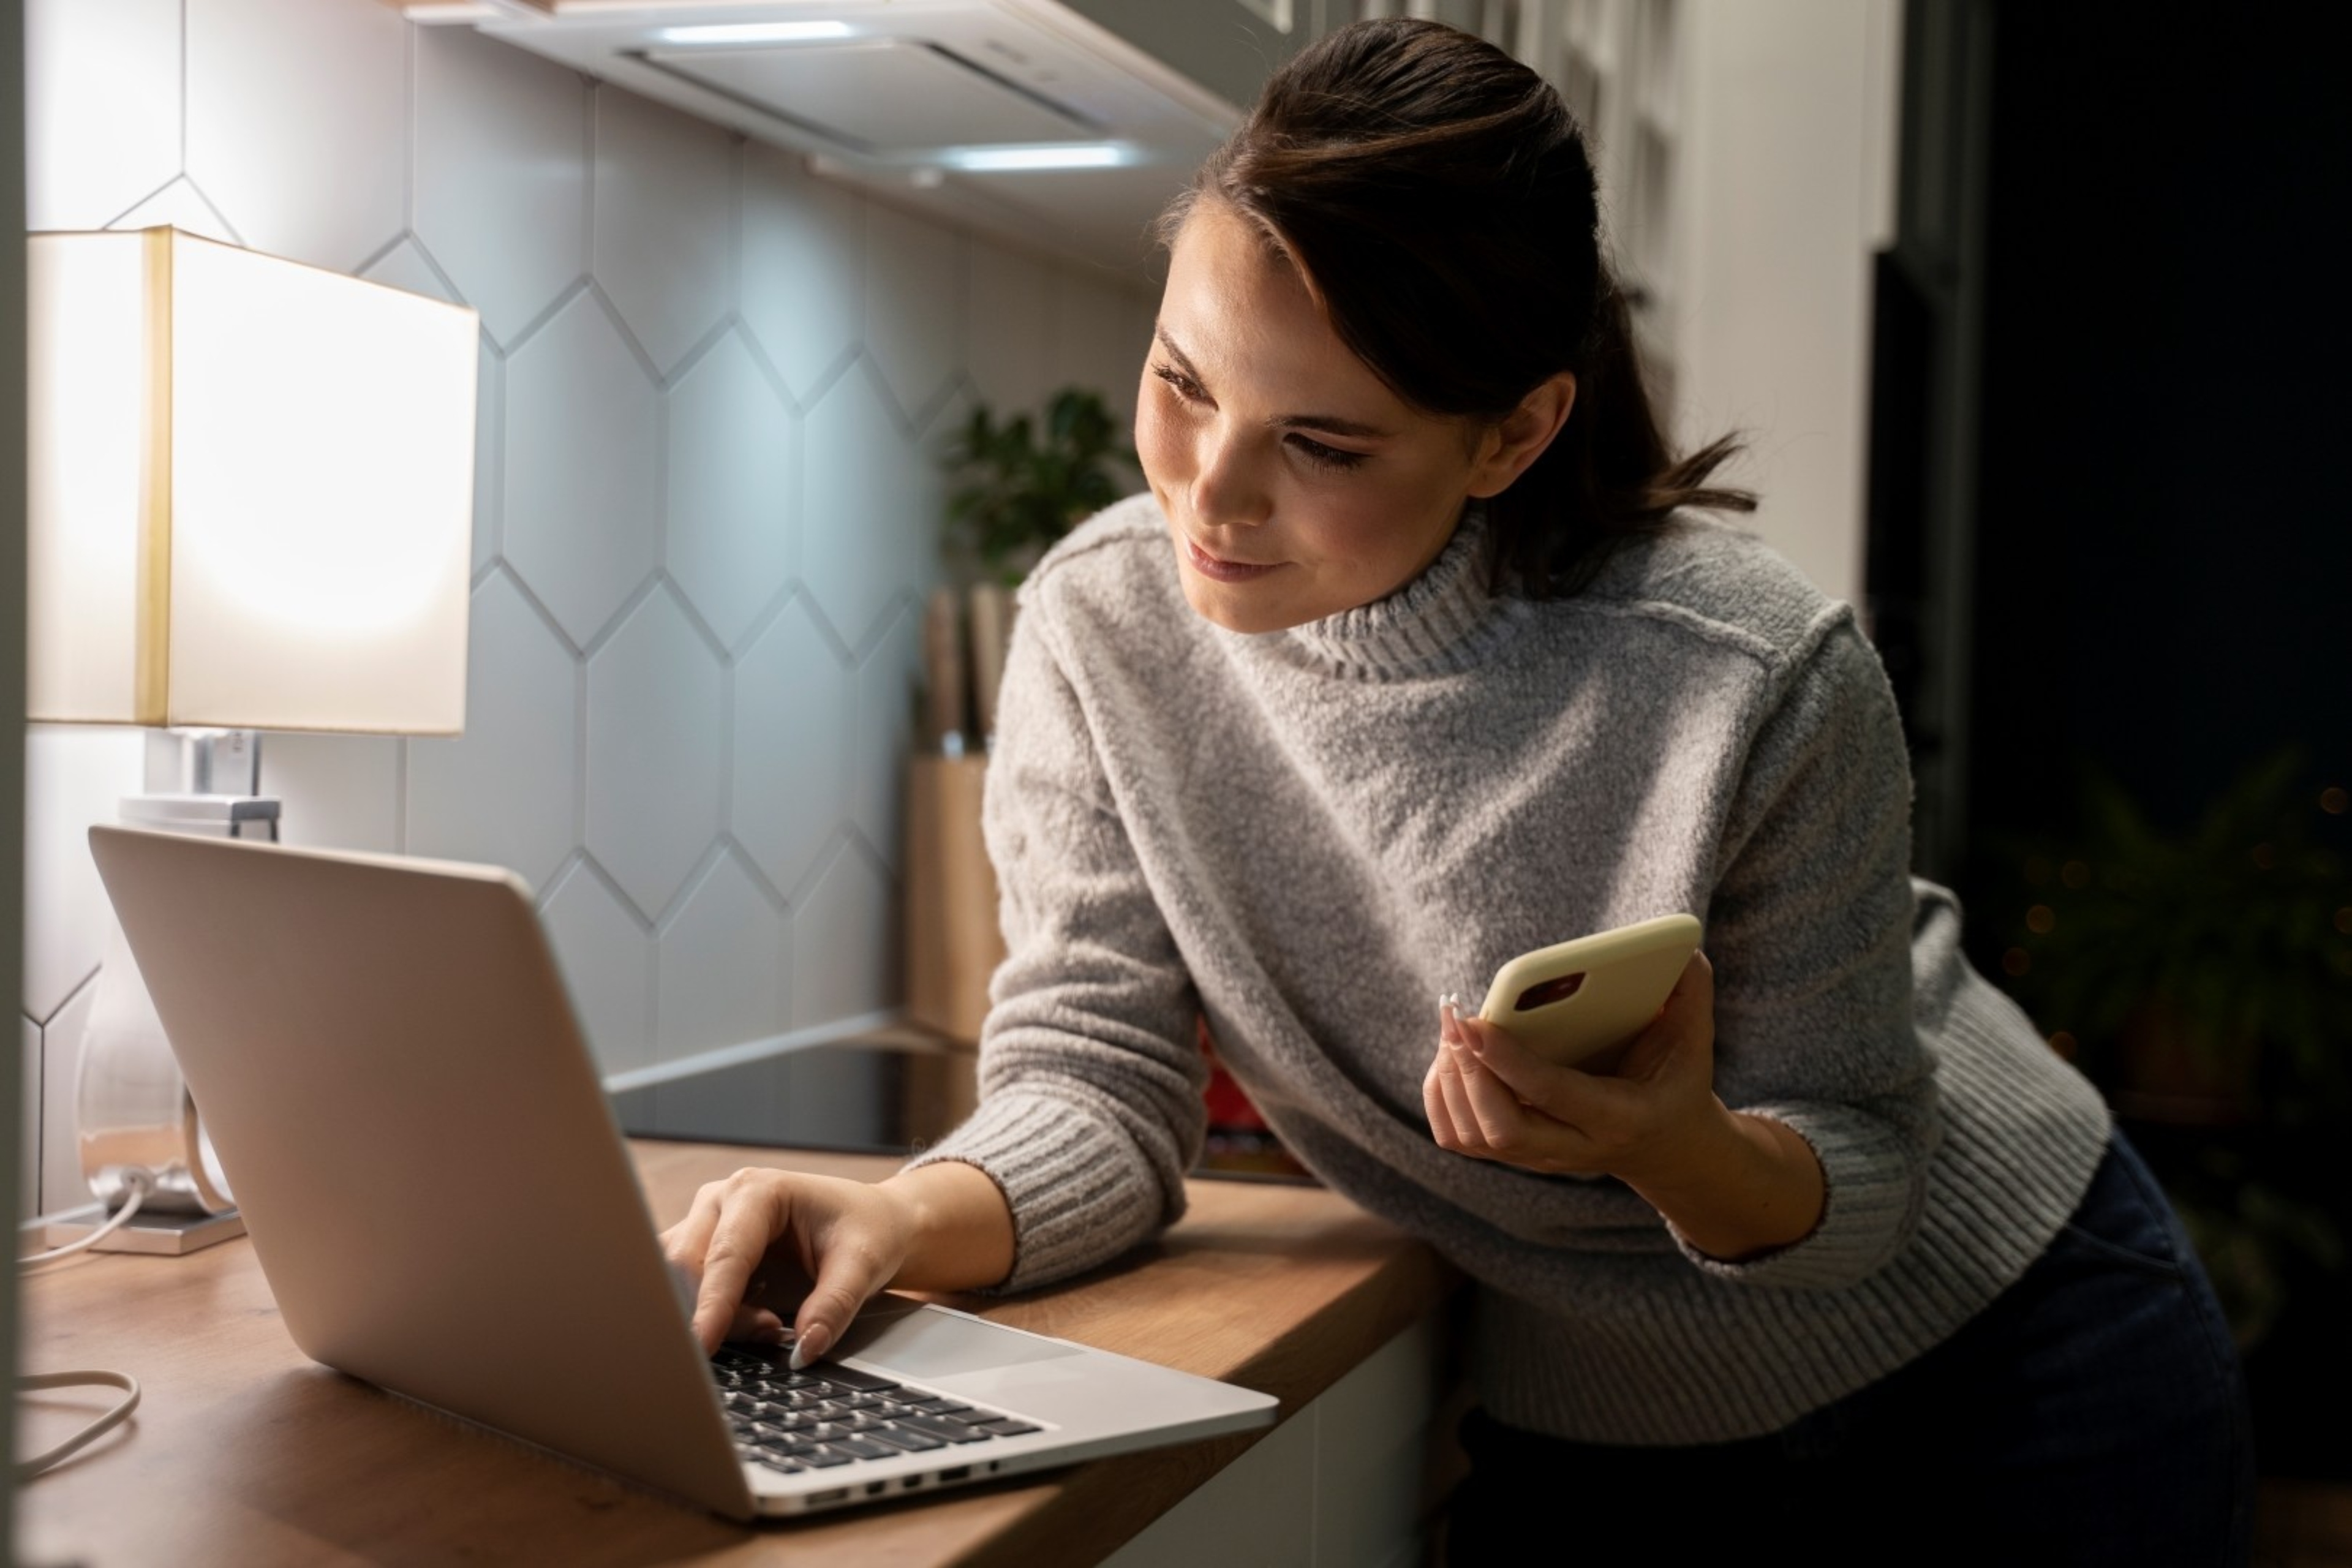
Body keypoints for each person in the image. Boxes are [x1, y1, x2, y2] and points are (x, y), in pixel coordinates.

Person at [662, 19, 2252, 1563]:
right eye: (1183, 379)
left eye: (1326, 445)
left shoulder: (1746, 667)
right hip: (1608, 1414)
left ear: (1515, 435)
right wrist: (902, 1215)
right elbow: (1094, 1074)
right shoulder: (1098, 629)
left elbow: (1867, 1175)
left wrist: (1670, 1142)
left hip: (2014, 1353)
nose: (1209, 494)